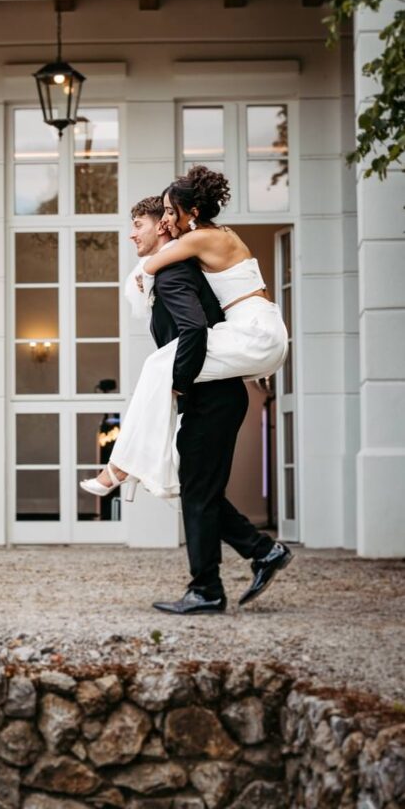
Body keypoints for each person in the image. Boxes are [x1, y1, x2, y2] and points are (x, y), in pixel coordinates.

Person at [82, 166, 293, 612]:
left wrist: (178, 386)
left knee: (163, 369)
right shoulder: (197, 249)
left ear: (182, 217)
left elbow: (182, 314)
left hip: (238, 363)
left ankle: (204, 588)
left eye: (163, 216)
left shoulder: (187, 256)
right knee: (199, 488)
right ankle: (260, 551)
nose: (161, 223)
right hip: (236, 361)